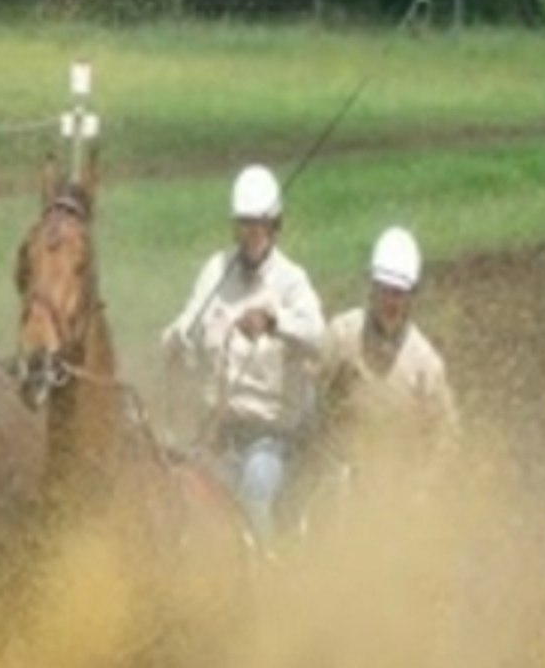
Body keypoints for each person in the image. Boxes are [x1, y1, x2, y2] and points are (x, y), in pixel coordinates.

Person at [162, 164, 324, 552]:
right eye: (243, 225)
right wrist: (176, 338)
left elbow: (318, 335)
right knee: (181, 497)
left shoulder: (291, 281)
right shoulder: (216, 271)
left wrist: (274, 321)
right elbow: (189, 319)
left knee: (254, 497)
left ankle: (268, 573)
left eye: (259, 225)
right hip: (216, 435)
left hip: (270, 440)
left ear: (275, 226)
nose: (250, 234)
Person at [315, 225, 459, 492]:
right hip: (340, 484)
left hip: (398, 489)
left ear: (413, 295)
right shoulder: (342, 335)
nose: (390, 302)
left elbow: (445, 438)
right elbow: (313, 397)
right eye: (384, 290)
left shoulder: (426, 365)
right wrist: (326, 465)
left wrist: (421, 490)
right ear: (372, 287)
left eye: (399, 293)